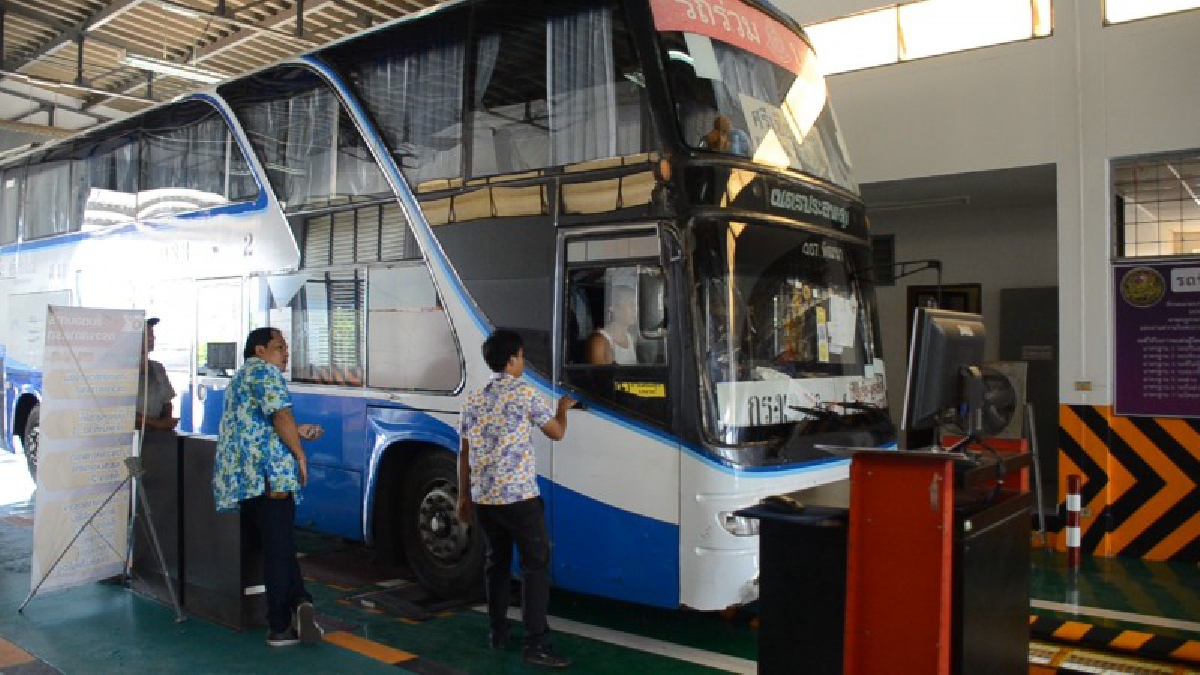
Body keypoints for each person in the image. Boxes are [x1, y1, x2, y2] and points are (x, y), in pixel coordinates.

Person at [455, 329, 576, 668]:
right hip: (520, 499)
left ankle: (497, 631)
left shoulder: (474, 399)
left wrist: (464, 497)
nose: (523, 361)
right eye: (521, 356)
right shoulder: (525, 393)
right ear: (511, 360)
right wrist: (563, 408)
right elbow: (556, 433)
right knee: (535, 568)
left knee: (496, 564)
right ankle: (536, 644)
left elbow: (463, 454)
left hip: (485, 500)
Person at [211, 327, 325, 648]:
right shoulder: (265, 372)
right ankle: (279, 626)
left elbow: (259, 425)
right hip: (271, 477)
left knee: (279, 546)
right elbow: (281, 414)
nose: (285, 353)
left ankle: (301, 600)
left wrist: (296, 431)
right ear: (259, 350)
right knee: (278, 551)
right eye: (279, 347)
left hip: (246, 480)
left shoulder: (239, 379)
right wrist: (300, 455)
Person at [136, 317, 177, 431]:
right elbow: (120, 411)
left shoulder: (158, 368)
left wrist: (166, 421)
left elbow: (167, 402)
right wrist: (155, 423)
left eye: (152, 334)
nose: (151, 338)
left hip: (157, 437)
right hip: (131, 438)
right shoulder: (121, 371)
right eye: (146, 334)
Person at [585, 286, 639, 365]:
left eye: (637, 305)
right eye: (631, 304)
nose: (636, 309)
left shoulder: (632, 338)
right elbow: (599, 376)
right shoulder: (598, 342)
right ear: (612, 308)